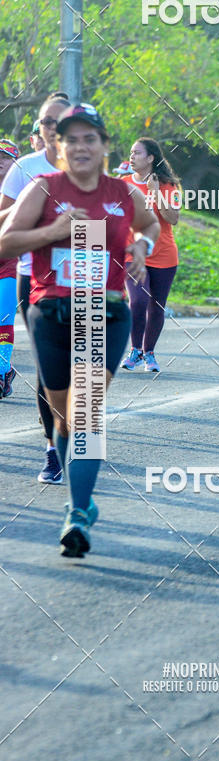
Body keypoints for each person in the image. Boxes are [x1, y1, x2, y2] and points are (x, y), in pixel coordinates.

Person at [0, 104, 159, 557]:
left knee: (86, 411)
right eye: (72, 139)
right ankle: (81, 502)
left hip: (104, 311)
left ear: (105, 146)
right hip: (50, 310)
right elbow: (6, 242)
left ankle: (77, 510)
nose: (81, 146)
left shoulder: (123, 193)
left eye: (90, 138)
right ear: (60, 146)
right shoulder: (43, 188)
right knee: (64, 418)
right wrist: (53, 231)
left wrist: (142, 247)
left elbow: (148, 224)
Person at [0, 91, 71, 481]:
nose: (52, 130)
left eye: (60, 123)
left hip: (87, 277)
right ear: (39, 129)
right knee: (50, 367)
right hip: (37, 275)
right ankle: (52, 449)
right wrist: (34, 205)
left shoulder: (92, 166)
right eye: (46, 122)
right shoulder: (23, 168)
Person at [120, 137, 179, 374]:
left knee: (156, 306)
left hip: (164, 254)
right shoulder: (123, 183)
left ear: (151, 158)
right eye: (131, 153)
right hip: (134, 253)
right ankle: (135, 350)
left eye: (137, 153)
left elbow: (173, 218)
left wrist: (156, 192)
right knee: (138, 301)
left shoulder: (168, 185)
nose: (132, 156)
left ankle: (149, 353)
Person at [0, 139, 20, 397]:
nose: (0, 162)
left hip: (10, 262)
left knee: (3, 318)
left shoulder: (25, 189)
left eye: (5, 157)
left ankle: (1, 371)